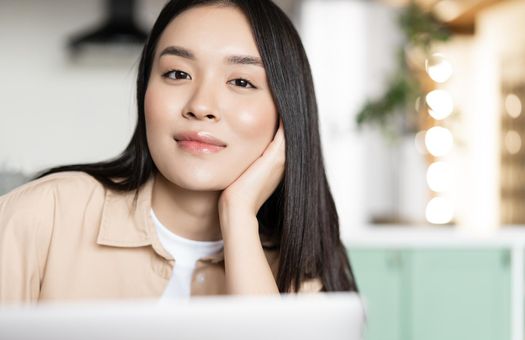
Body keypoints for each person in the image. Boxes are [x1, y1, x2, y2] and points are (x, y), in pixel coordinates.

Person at [0, 0, 358, 303]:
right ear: (144, 93)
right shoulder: (38, 216)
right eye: (177, 74)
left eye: (241, 82)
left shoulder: (303, 267)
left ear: (286, 113)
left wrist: (239, 216)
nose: (201, 105)